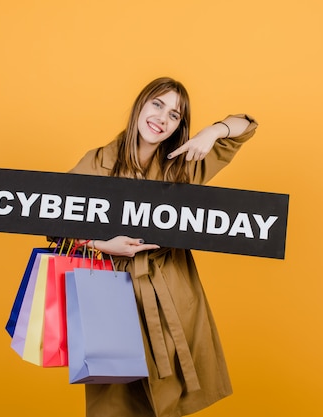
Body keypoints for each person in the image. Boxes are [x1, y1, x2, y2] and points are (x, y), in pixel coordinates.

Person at [68, 77, 258, 417]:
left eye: (175, 115)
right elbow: (51, 221)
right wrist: (103, 245)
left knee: (168, 402)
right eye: (157, 105)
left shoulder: (184, 163)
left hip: (171, 294)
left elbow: (245, 126)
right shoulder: (97, 162)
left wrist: (211, 132)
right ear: (140, 105)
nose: (162, 118)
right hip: (112, 297)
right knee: (115, 403)